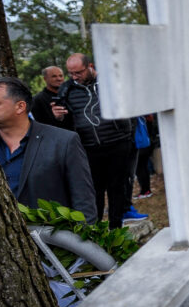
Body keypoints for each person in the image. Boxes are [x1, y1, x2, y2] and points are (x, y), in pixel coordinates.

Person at [0, 77, 97, 223]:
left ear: (20, 106)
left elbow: (83, 198)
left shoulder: (64, 141)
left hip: (52, 240)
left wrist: (82, 240)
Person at [54, 53, 134, 228]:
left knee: (117, 187)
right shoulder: (66, 89)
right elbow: (65, 121)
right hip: (89, 147)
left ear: (90, 66)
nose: (75, 77)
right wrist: (58, 117)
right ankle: (95, 228)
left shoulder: (109, 81)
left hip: (118, 141)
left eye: (79, 72)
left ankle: (115, 227)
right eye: (71, 73)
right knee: (94, 189)